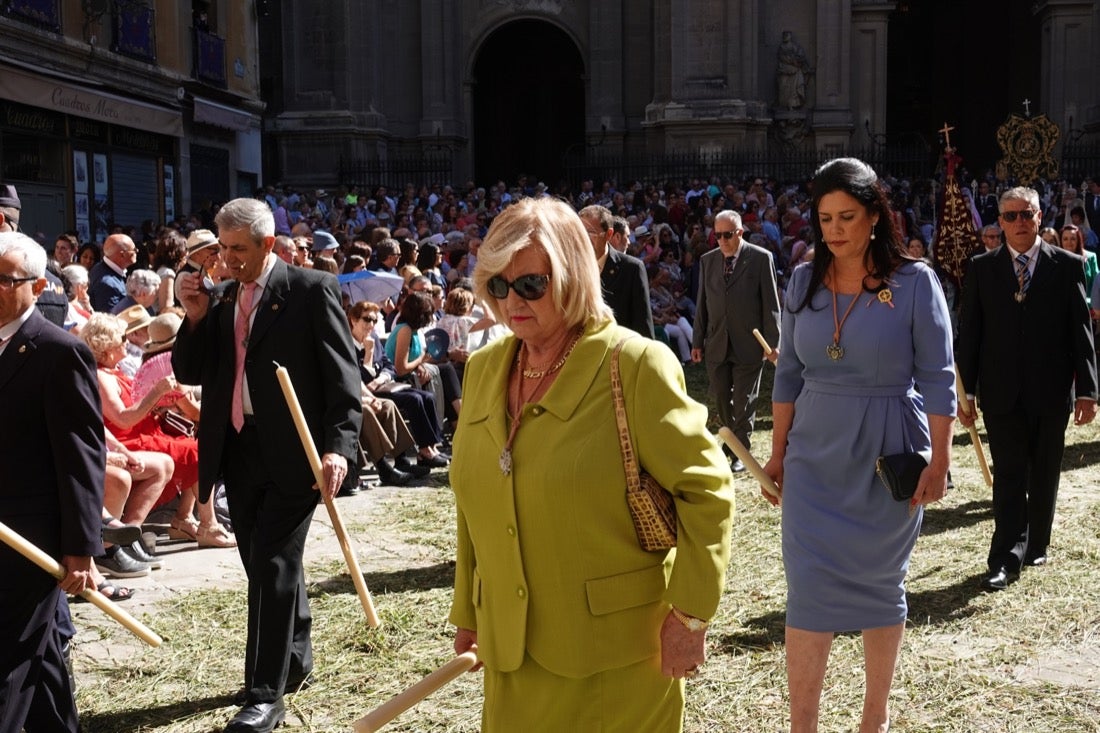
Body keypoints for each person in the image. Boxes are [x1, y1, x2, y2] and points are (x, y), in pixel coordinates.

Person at [449, 197, 734, 732]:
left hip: (616, 659)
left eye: (532, 284)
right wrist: (470, 609)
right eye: (499, 286)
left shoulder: (633, 364)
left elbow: (708, 492)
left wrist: (690, 615)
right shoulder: (484, 368)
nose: (514, 301)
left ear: (575, 275)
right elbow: (473, 499)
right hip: (511, 653)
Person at [762, 158, 956, 733]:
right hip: (813, 454)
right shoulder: (800, 282)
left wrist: (941, 460)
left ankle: (875, 718)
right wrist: (776, 452)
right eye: (824, 218)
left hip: (887, 449)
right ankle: (803, 725)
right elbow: (788, 375)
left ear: (875, 215)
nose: (835, 230)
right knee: (807, 589)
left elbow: (940, 376)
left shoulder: (916, 283)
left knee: (879, 583)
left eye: (847, 216)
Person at [173, 197, 362, 733]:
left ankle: (264, 694)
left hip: (295, 449)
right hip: (238, 446)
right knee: (260, 562)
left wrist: (337, 447)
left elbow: (343, 378)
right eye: (222, 248)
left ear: (268, 244)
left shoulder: (309, 290)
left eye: (238, 250)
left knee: (275, 564)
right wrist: (193, 317)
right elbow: (192, 368)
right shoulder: (224, 295)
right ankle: (294, 659)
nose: (227, 260)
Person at [957, 186, 1097, 591]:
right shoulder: (983, 268)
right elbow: (972, 335)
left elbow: (1081, 333)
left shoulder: (1067, 266)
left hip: (1051, 390)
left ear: (1040, 217)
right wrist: (964, 391)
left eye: (1027, 214)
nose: (1020, 222)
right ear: (1000, 222)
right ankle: (1004, 556)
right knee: (1010, 475)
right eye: (1011, 215)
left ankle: (1038, 541)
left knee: (1045, 472)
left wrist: (1087, 390)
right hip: (1001, 392)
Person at [0, 232, 105, 733]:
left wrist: (81, 547)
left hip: (31, 535)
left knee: (9, 656)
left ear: (38, 285)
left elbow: (81, 456)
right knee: (40, 663)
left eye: (4, 279)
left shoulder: (58, 351)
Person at [691, 209, 781, 471]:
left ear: (740, 233)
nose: (722, 241)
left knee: (745, 399)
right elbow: (702, 305)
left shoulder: (761, 259)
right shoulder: (708, 261)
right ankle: (732, 444)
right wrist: (697, 341)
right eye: (717, 235)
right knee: (720, 396)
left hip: (749, 343)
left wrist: (772, 342)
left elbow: (771, 305)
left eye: (727, 235)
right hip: (717, 341)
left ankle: (739, 452)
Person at [578, 204, 655, 338]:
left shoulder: (632, 269)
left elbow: (643, 326)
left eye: (590, 233)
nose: (584, 239)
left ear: (609, 234)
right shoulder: (570, 269)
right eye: (579, 233)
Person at [89, 234, 137, 312]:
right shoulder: (107, 284)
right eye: (134, 250)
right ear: (122, 255)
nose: (136, 252)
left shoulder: (100, 268)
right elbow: (110, 319)